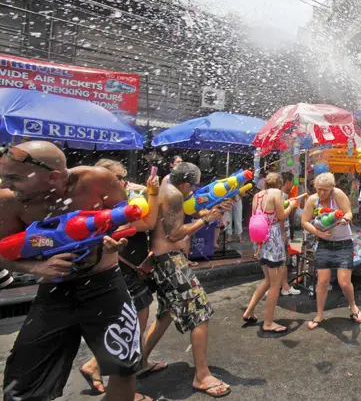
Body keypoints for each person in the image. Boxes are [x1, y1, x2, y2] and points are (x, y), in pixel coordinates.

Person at [0, 141, 158, 401]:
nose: (7, 184)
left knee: (125, 367)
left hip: (105, 284)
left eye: (14, 178)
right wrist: (37, 266)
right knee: (23, 383)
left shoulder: (97, 180)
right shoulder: (8, 200)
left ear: (52, 176)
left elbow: (123, 218)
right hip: (54, 290)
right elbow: (2, 252)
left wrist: (114, 241)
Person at [140, 162, 232, 398]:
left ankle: (140, 362)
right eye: (194, 185)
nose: (195, 190)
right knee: (201, 313)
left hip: (163, 261)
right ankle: (201, 375)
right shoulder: (172, 195)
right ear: (184, 183)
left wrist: (212, 210)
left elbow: (186, 213)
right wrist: (207, 220)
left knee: (164, 316)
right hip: (170, 262)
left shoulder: (166, 184)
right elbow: (174, 233)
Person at [79, 159, 165, 395]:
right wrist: (154, 194)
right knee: (132, 327)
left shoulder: (109, 199)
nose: (125, 182)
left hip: (125, 269)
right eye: (118, 178)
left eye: (124, 177)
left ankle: (98, 366)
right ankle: (125, 388)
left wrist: (140, 188)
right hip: (122, 271)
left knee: (129, 325)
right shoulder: (110, 210)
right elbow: (147, 223)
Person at [301, 173, 361, 329]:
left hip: (343, 244)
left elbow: (349, 211)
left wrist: (345, 219)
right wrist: (319, 233)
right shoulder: (312, 200)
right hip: (324, 244)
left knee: (344, 282)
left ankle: (353, 306)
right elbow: (304, 221)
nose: (322, 193)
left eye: (325, 190)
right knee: (322, 282)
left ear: (332, 188)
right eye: (319, 189)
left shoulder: (337, 194)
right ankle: (319, 315)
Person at [242, 173, 298, 331]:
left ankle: (249, 311)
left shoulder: (257, 195)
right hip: (272, 240)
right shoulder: (276, 193)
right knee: (275, 285)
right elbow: (281, 216)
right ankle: (268, 323)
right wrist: (292, 206)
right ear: (280, 184)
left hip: (259, 240)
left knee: (267, 280)